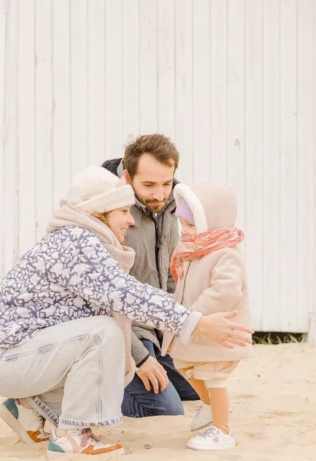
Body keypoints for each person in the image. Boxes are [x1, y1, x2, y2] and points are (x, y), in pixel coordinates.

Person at [0, 166, 253, 458]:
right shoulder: (78, 243)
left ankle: (29, 409)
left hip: (7, 355)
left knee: (110, 346)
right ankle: (73, 436)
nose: (131, 221)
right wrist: (194, 322)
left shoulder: (78, 238)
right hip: (3, 360)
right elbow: (127, 295)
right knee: (102, 333)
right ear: (101, 212)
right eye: (123, 211)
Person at [100, 134, 202, 419]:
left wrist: (182, 328)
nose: (159, 194)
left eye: (166, 183)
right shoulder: (109, 212)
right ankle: (76, 391)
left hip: (158, 329)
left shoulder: (171, 205)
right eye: (148, 185)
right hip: (124, 331)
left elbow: (170, 275)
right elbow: (102, 301)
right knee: (164, 407)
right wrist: (140, 357)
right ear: (128, 176)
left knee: (198, 387)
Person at [163, 182, 251, 451]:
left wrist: (194, 312)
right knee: (184, 365)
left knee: (214, 376)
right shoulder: (194, 250)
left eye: (190, 225)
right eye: (182, 224)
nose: (184, 230)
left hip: (219, 330)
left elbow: (226, 290)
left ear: (210, 222)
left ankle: (222, 429)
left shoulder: (225, 253)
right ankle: (212, 408)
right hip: (195, 328)